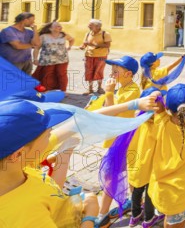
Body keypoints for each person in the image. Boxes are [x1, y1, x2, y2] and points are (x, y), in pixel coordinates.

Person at [0, 99, 100, 227]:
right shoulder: (26, 215)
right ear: (18, 154)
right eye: (48, 135)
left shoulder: (18, 170)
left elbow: (44, 194)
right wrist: (89, 217)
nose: (51, 134)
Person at [148, 84, 185, 227]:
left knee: (168, 220)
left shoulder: (161, 121)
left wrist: (161, 103)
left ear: (167, 106)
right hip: (179, 194)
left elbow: (157, 101)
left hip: (161, 191)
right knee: (178, 224)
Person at [96, 55, 140, 227]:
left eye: (116, 71)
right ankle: (133, 202)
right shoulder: (123, 88)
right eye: (112, 71)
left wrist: (108, 92)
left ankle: (102, 214)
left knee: (111, 174)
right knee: (123, 171)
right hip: (118, 135)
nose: (112, 74)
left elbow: (112, 110)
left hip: (123, 138)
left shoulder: (133, 91)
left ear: (128, 74)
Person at [127, 88, 163, 228]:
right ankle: (149, 219)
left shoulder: (135, 122)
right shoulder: (158, 125)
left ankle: (134, 216)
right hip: (150, 166)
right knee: (149, 192)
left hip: (136, 164)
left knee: (136, 190)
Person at [32, 21, 74, 91]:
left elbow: (72, 39)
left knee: (62, 74)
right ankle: (45, 90)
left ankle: (63, 90)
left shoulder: (64, 35)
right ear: (50, 29)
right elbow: (37, 48)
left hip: (62, 59)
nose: (60, 27)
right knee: (47, 75)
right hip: (47, 60)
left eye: (60, 26)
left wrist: (70, 46)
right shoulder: (43, 36)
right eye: (57, 26)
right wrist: (35, 59)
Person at [80, 19, 111, 95]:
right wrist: (82, 46)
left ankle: (99, 88)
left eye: (90, 25)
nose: (88, 26)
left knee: (99, 71)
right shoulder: (88, 34)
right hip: (89, 55)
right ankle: (90, 89)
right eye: (89, 24)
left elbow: (107, 45)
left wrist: (95, 45)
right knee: (88, 72)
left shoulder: (105, 34)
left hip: (101, 56)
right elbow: (85, 44)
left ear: (97, 26)